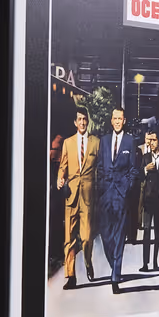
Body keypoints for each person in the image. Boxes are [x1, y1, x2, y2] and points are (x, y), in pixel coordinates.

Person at [54, 107, 98, 288]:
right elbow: (62, 166)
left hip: (87, 196)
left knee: (87, 237)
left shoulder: (96, 142)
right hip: (71, 196)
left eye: (84, 119)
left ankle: (88, 262)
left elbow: (100, 168)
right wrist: (59, 177)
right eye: (79, 119)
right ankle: (70, 276)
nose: (82, 122)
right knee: (69, 238)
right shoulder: (68, 143)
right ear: (75, 122)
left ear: (88, 121)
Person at [96, 108, 139, 292]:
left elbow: (134, 169)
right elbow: (99, 165)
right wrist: (101, 185)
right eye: (114, 118)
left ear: (124, 120)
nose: (117, 121)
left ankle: (115, 276)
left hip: (121, 193)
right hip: (106, 192)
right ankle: (113, 262)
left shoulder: (130, 141)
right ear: (111, 120)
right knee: (105, 234)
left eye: (120, 118)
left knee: (120, 235)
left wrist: (127, 186)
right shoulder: (104, 141)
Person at [139, 130, 159, 273]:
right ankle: (145, 263)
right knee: (146, 230)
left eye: (154, 140)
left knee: (157, 231)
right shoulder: (145, 158)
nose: (151, 143)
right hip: (148, 199)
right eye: (150, 140)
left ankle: (155, 260)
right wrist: (145, 169)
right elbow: (138, 175)